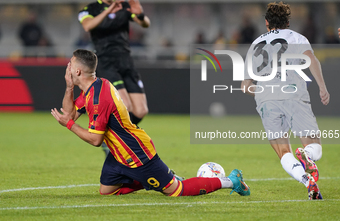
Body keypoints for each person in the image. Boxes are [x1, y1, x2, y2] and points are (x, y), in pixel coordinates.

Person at [51, 49, 251, 197]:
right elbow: (69, 112)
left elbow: (95, 139)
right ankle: (152, 180)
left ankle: (230, 181)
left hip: (137, 153)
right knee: (106, 192)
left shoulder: (98, 97)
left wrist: (69, 125)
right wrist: (69, 87)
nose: (67, 66)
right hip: (118, 154)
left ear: (78, 71)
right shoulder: (94, 87)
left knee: (176, 190)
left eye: (70, 63)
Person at [241, 2, 330, 200]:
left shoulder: (255, 44)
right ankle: (307, 154)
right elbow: (312, 61)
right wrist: (322, 88)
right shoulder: (297, 38)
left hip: (266, 99)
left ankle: (307, 182)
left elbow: (245, 86)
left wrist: (264, 90)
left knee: (283, 151)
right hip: (293, 93)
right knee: (314, 145)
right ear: (288, 22)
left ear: (266, 22)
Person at [78, 0, 150, 155]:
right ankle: (117, 144)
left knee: (141, 111)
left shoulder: (125, 7)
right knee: (125, 105)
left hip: (126, 61)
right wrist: (108, 11)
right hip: (106, 62)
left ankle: (110, 136)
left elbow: (145, 24)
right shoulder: (89, 9)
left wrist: (140, 15)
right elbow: (88, 25)